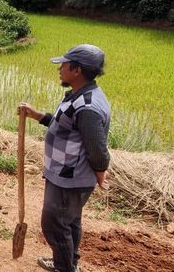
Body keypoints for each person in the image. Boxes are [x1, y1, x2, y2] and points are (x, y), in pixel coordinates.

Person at [18, 44, 111, 272]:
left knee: (54, 225)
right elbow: (65, 126)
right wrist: (36, 115)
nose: (59, 68)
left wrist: (100, 173)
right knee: (69, 222)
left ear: (77, 70)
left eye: (64, 64)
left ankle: (64, 268)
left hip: (70, 178)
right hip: (64, 174)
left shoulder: (88, 106)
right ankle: (69, 263)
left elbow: (97, 149)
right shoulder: (78, 96)